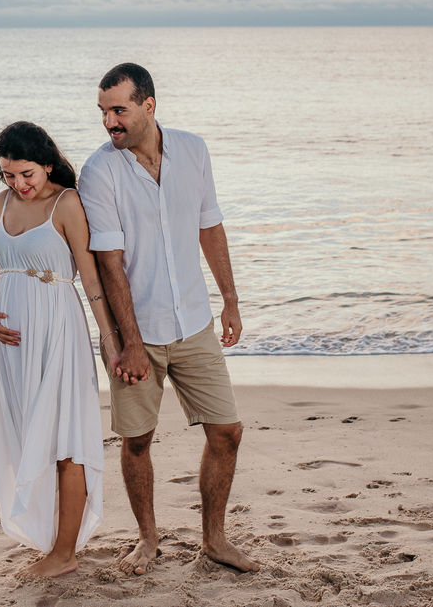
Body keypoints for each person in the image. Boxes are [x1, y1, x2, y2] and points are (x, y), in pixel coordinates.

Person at [78, 63, 261, 575]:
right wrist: (129, 343)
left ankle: (215, 540)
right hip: (137, 332)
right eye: (103, 112)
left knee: (227, 431)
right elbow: (110, 265)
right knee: (137, 439)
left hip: (195, 322)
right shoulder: (99, 172)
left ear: (148, 105)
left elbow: (211, 227)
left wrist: (230, 299)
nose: (109, 122)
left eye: (119, 110)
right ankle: (148, 538)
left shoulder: (194, 151)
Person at [0, 121, 118, 578]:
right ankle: (50, 539)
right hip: (11, 343)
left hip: (56, 331)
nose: (18, 184)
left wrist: (109, 339)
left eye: (26, 174)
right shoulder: (2, 204)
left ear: (46, 164)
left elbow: (92, 278)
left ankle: (64, 553)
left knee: (65, 439)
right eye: (8, 175)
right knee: (25, 433)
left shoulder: (67, 203)